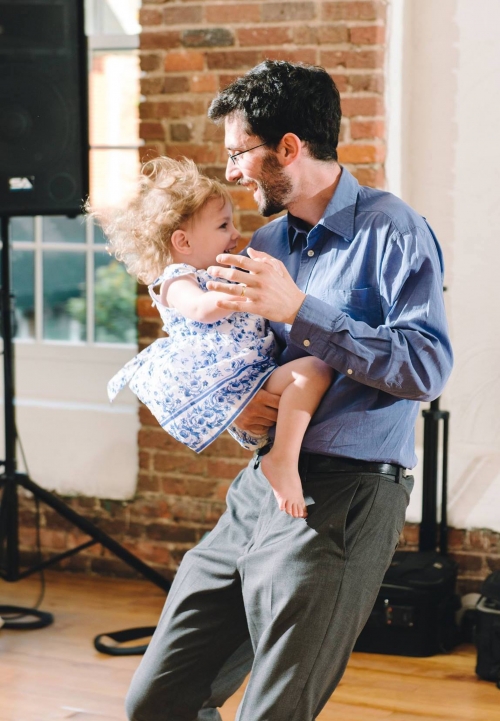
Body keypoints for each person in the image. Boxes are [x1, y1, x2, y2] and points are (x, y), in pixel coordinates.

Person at [125, 61, 453, 721]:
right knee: (158, 700)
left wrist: (303, 308)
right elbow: (240, 356)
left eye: (239, 153)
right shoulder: (267, 240)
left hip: (350, 493)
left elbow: (427, 367)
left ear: (289, 148)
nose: (234, 172)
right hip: (257, 488)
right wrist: (243, 416)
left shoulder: (394, 230)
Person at [103, 156, 333, 518]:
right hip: (233, 386)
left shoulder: (220, 271)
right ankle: (283, 461)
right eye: (223, 225)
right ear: (183, 240)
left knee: (317, 369)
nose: (235, 234)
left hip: (256, 375)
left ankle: (284, 456)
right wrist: (244, 291)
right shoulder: (175, 280)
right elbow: (200, 309)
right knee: (313, 370)